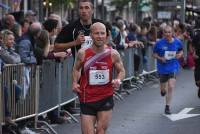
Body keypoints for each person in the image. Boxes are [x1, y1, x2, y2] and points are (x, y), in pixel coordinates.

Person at [72, 22, 125, 134]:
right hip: (87, 98)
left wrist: (118, 80)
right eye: (96, 33)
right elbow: (76, 69)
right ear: (91, 35)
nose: (100, 36)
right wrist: (75, 82)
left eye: (102, 33)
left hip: (105, 97)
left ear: (106, 35)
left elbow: (121, 71)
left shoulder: (113, 53)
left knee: (101, 131)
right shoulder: (83, 53)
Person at [153, 25, 183, 114]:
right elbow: (154, 54)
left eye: (169, 32)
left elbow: (181, 51)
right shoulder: (159, 43)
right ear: (163, 33)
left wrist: (180, 55)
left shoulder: (177, 42)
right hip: (162, 68)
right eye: (166, 32)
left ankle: (167, 107)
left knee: (171, 86)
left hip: (173, 66)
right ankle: (162, 91)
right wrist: (160, 58)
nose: (167, 34)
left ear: (172, 32)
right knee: (163, 90)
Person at [192, 19, 200, 98]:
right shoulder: (197, 35)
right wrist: (193, 53)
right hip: (198, 59)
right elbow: (192, 45)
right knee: (197, 82)